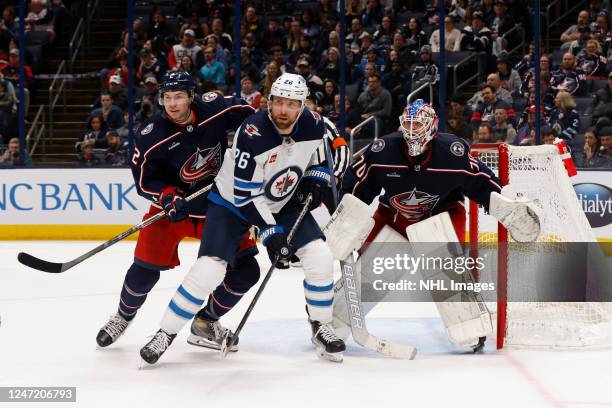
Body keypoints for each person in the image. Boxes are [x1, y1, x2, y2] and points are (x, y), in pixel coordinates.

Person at [140, 73, 347, 364]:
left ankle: (321, 325)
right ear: (269, 102)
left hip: (282, 198)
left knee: (320, 256)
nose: (284, 111)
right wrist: (271, 234)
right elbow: (247, 195)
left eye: (292, 104)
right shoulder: (253, 133)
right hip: (232, 203)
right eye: (279, 103)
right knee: (209, 268)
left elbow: (324, 154)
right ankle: (165, 332)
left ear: (302, 106)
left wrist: (316, 176)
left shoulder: (314, 123)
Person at [337, 100, 539, 350]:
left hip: (441, 214)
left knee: (443, 261)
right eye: (408, 123)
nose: (412, 130)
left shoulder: (451, 152)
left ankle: (470, 325)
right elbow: (356, 186)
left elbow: (481, 182)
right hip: (393, 216)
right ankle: (334, 319)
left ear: (432, 126)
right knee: (371, 268)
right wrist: (345, 220)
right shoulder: (382, 150)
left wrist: (505, 204)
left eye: (418, 123)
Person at [95, 71, 258, 351]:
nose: (172, 104)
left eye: (179, 97)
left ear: (191, 97)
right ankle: (123, 316)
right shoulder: (149, 135)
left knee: (246, 270)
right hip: (174, 210)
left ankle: (205, 322)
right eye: (167, 97)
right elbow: (145, 181)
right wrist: (166, 195)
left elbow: (252, 116)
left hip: (219, 209)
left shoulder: (215, 108)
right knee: (143, 270)